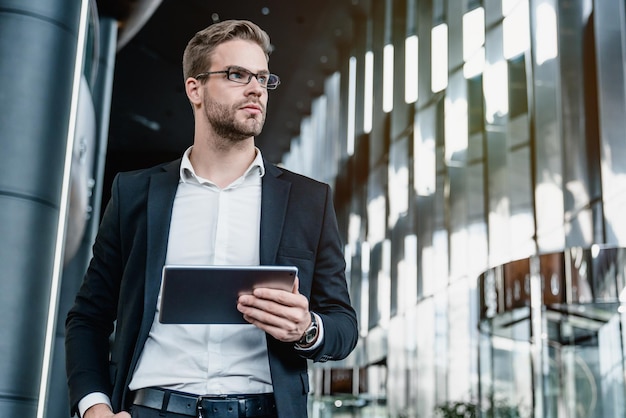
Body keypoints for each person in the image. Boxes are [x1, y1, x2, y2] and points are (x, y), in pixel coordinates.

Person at [65, 19, 358, 418]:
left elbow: (343, 326)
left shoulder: (309, 201)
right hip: (153, 408)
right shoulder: (135, 193)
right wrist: (94, 407)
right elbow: (88, 317)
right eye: (237, 75)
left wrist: (306, 328)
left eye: (263, 77)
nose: (256, 88)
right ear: (194, 88)